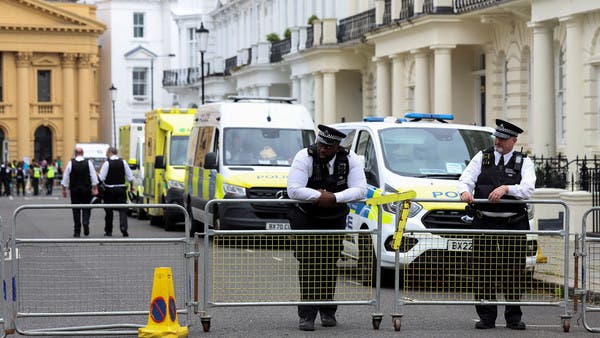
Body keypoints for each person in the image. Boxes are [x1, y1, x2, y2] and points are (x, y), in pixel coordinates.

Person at [287, 124, 367, 331]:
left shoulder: (351, 159)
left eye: (328, 147)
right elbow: (294, 190)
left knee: (329, 262)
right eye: (321, 145)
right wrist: (318, 196)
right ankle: (306, 315)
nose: (323, 150)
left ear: (337, 147)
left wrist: (334, 197)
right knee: (308, 263)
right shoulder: (304, 156)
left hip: (334, 217)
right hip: (306, 217)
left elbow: (361, 190)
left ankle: (327, 311)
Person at [457, 119, 536, 331]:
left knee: (514, 271)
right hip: (485, 221)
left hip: (513, 224)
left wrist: (507, 189)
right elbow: (466, 178)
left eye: (502, 138)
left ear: (514, 140)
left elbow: (528, 189)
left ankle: (513, 318)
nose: (497, 141)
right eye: (496, 137)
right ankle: (486, 317)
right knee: (483, 270)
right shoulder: (482, 157)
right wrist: (464, 191)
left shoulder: (524, 162)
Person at [61, 147, 99, 237]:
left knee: (76, 210)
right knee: (86, 207)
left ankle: (77, 231)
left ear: (75, 153)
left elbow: (65, 177)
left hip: (75, 190)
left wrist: (64, 189)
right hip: (86, 189)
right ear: (83, 153)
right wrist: (95, 188)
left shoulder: (71, 163)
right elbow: (93, 176)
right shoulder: (88, 163)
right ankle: (85, 221)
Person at [99, 147, 134, 237]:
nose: (106, 154)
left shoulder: (107, 163)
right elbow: (130, 177)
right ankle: (123, 228)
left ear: (110, 152)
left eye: (107, 152)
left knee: (109, 211)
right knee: (122, 210)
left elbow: (101, 178)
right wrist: (132, 187)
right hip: (121, 189)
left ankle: (108, 230)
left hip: (109, 190)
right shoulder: (123, 162)